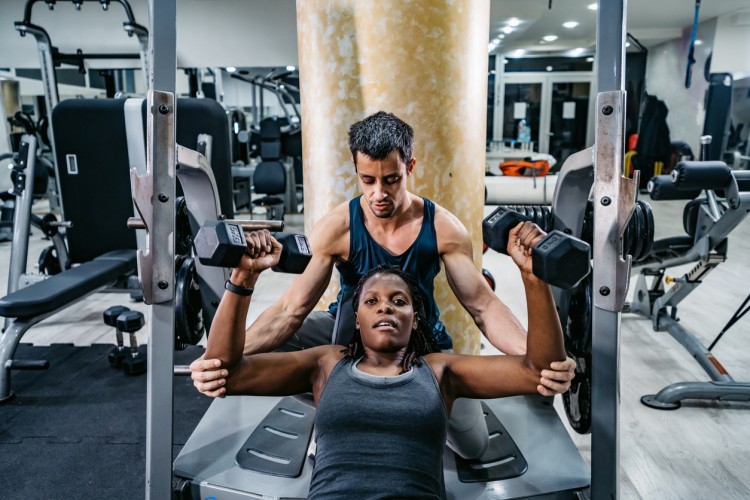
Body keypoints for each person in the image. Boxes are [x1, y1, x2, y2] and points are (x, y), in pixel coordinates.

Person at [191, 111, 575, 458]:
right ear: (357, 170)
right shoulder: (337, 227)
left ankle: (407, 418)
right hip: (349, 336)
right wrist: (219, 362)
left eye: (391, 180)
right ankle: (339, 417)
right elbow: (291, 309)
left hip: (421, 342)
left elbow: (483, 306)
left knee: (473, 448)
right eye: (368, 180)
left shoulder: (443, 227)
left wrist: (536, 359)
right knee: (287, 339)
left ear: (410, 166)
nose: (378, 194)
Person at [200, 223, 566, 499]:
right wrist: (243, 278)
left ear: (416, 317)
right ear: (355, 319)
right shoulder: (327, 363)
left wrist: (534, 278)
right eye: (371, 301)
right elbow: (227, 373)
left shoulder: (440, 370)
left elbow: (537, 369)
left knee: (476, 446)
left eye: (398, 301)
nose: (385, 306)